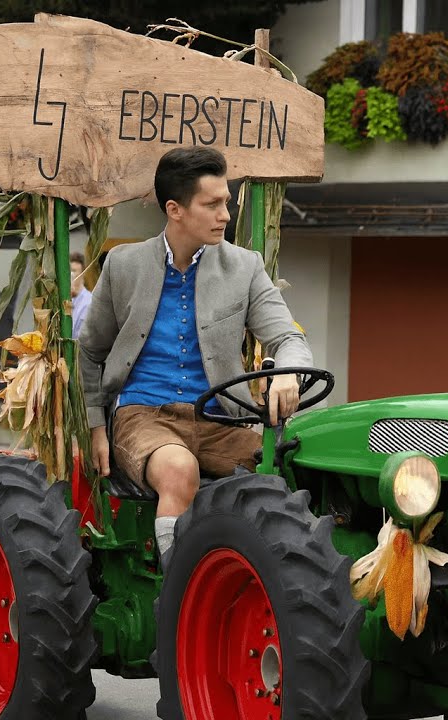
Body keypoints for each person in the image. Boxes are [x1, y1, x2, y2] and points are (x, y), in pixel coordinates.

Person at [79, 147, 312, 568]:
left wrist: (286, 375)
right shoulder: (123, 265)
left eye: (226, 201)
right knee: (178, 469)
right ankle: (177, 599)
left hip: (220, 418)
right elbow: (91, 352)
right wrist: (97, 426)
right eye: (212, 204)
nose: (225, 214)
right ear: (176, 209)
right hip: (144, 417)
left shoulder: (245, 267)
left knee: (295, 467)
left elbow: (287, 336)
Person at [69, 251, 93, 339]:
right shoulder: (64, 300)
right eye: (69, 271)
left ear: (83, 273)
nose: (71, 275)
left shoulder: (89, 302)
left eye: (74, 271)